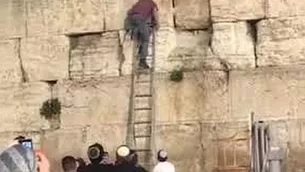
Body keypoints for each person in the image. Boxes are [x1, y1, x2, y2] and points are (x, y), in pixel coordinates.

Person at [127, 0, 159, 69]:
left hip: (131, 21)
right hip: (140, 20)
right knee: (146, 39)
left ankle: (139, 48)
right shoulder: (152, 3)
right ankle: (142, 61)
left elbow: (130, 12)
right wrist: (157, 24)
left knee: (142, 34)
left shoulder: (139, 2)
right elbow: (155, 14)